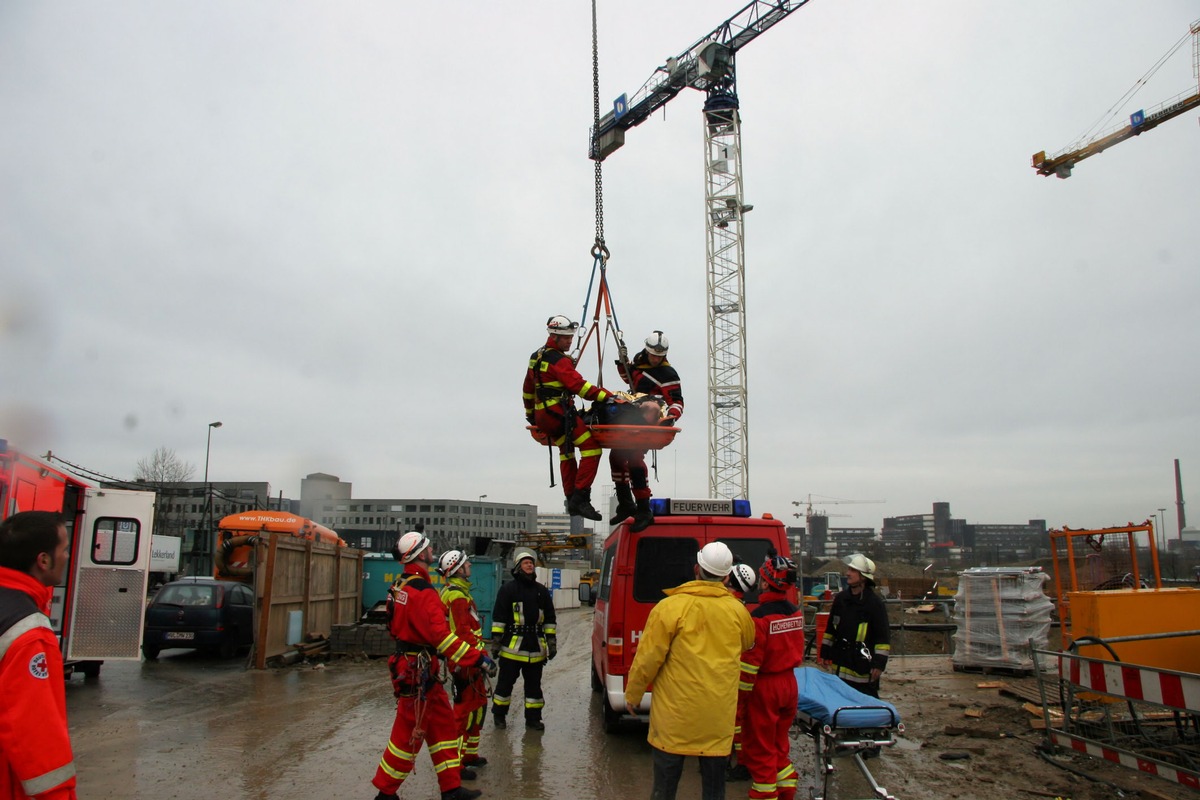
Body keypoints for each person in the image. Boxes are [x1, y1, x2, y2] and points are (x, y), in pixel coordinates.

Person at [624, 542, 755, 800]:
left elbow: (648, 658)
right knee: (715, 790)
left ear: (696, 569)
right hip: (717, 719)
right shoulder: (738, 612)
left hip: (674, 719)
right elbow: (747, 644)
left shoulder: (669, 607)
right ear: (727, 576)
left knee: (664, 789)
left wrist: (633, 694)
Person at [370, 531, 491, 800]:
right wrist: (477, 658)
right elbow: (442, 636)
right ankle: (385, 793)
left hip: (416, 667)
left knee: (444, 728)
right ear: (420, 554)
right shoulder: (423, 590)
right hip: (418, 670)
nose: (432, 549)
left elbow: (393, 624)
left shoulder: (401, 585)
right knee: (407, 736)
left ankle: (451, 788)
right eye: (428, 547)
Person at [0, 510, 78, 800]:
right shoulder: (29, 635)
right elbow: (37, 741)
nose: (68, 556)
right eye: (65, 549)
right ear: (43, 560)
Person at [523, 314, 617, 521]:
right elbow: (580, 387)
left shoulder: (536, 356)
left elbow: (528, 389)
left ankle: (571, 498)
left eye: (571, 337)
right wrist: (608, 397)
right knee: (592, 449)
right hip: (559, 415)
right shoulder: (558, 360)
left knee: (566, 453)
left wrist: (531, 415)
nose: (570, 341)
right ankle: (580, 498)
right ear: (554, 336)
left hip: (544, 416)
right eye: (566, 338)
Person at [738, 554, 805, 800]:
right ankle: (787, 792)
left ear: (765, 583)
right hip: (790, 684)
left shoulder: (759, 618)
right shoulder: (795, 612)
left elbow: (750, 665)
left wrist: (740, 699)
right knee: (779, 747)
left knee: (761, 751)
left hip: (766, 688)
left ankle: (765, 794)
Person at [609, 330, 684, 532]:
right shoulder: (639, 361)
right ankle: (626, 503)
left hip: (649, 420)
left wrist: (671, 417)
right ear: (647, 351)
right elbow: (630, 381)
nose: (655, 360)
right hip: (633, 414)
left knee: (634, 459)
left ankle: (644, 509)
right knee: (616, 457)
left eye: (659, 357)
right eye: (653, 355)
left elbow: (676, 401)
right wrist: (622, 363)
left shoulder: (668, 375)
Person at [489, 548, 556, 731]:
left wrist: (551, 642)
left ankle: (533, 719)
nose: (530, 565)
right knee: (504, 685)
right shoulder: (508, 589)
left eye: (531, 563)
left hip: (535, 648)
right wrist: (496, 641)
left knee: (534, 688)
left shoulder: (541, 591)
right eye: (526, 563)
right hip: (512, 647)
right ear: (519, 567)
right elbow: (499, 616)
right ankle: (499, 716)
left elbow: (550, 619)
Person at [437, 550, 490, 771]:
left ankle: (469, 755)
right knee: (463, 712)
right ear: (457, 569)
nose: (469, 565)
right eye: (466, 563)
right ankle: (455, 765)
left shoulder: (458, 593)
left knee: (478, 707)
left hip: (471, 661)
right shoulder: (457, 597)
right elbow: (462, 633)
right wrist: (481, 659)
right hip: (466, 663)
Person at [819, 553, 890, 698]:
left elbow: (882, 637)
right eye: (848, 570)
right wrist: (825, 652)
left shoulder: (875, 604)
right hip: (840, 663)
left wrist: (879, 664)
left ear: (863, 577)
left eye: (852, 571)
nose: (847, 573)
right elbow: (831, 629)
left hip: (862, 668)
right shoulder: (841, 599)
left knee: (864, 706)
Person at [726, 562, 757, 783]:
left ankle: (740, 763)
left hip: (732, 677)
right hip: (739, 676)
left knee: (736, 723)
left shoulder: (729, 606)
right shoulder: (742, 608)